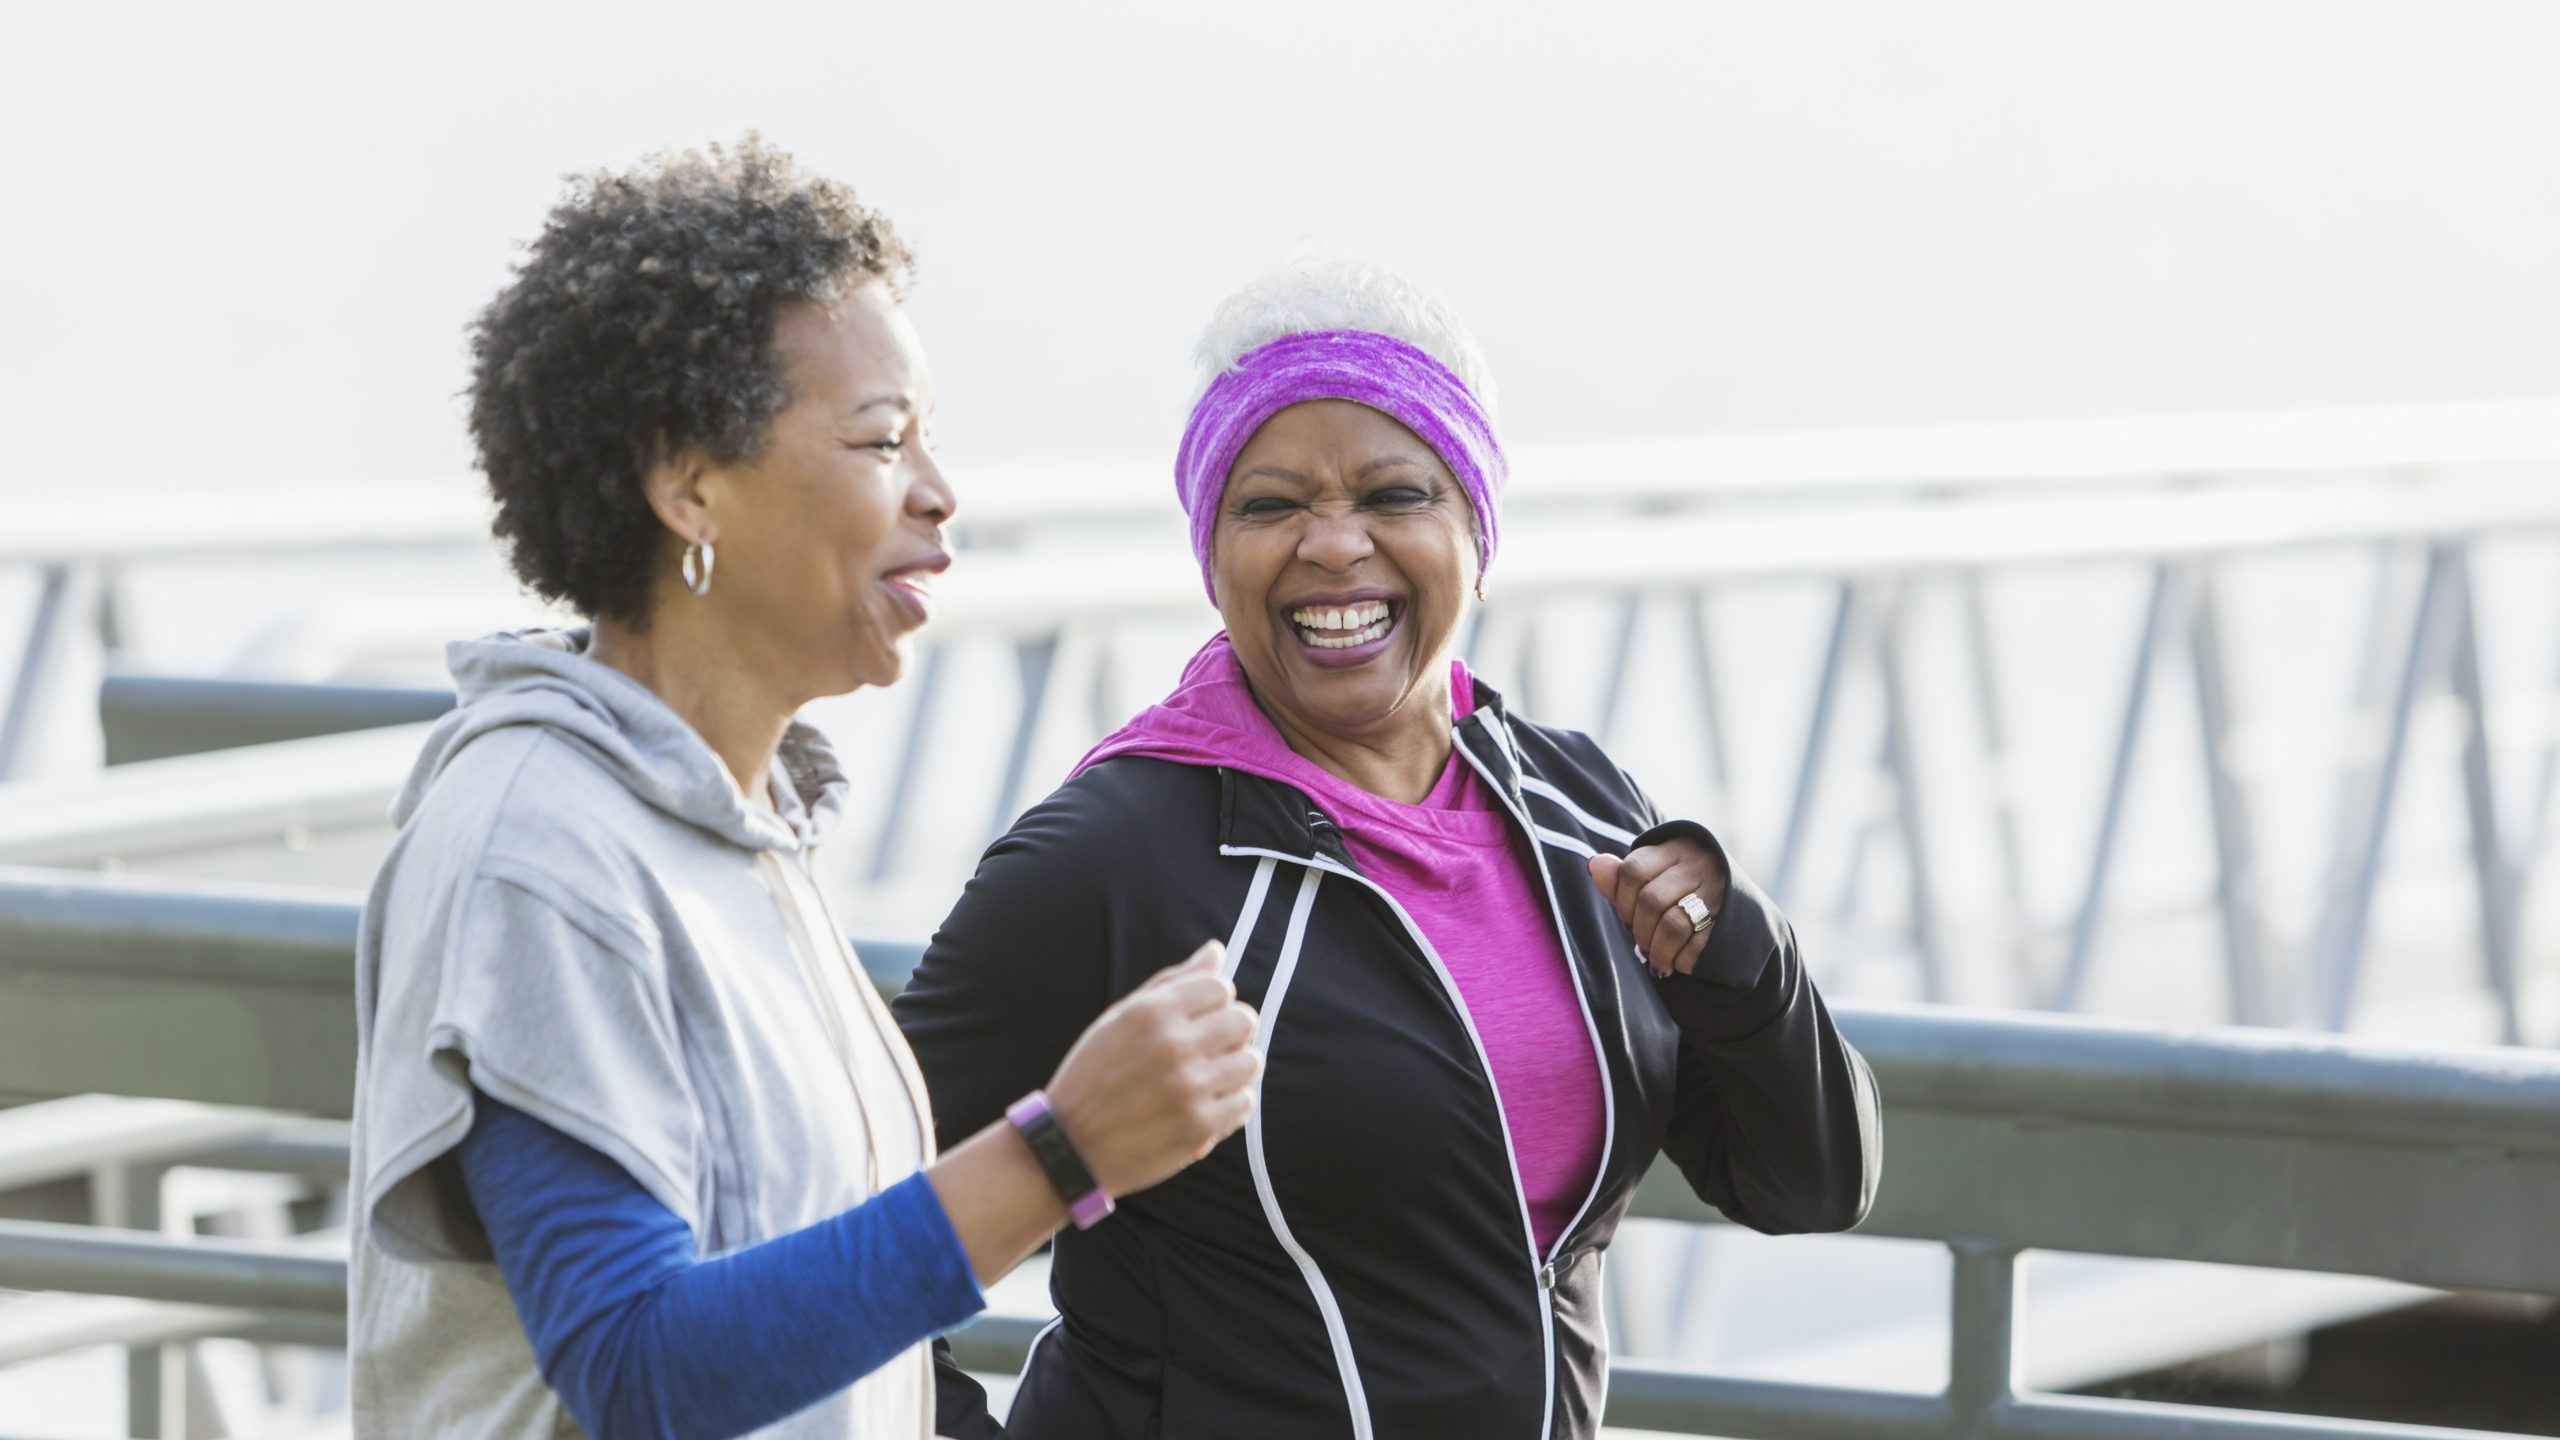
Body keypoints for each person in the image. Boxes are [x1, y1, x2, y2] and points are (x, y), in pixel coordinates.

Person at [347, 138, 1261, 1439]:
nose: (941, 497)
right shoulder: (539, 851)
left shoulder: (743, 823)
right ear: (691, 483)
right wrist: (1062, 1154)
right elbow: (635, 1363)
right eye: (884, 441)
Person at [894, 255, 1883, 1438]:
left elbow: (1809, 1182)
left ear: (1475, 527)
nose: (1331, 545)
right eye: (1269, 505)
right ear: (1213, 556)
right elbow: (839, 1222)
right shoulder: (1111, 854)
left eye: (1393, 494)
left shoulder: (1573, 805)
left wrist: (1743, 961)